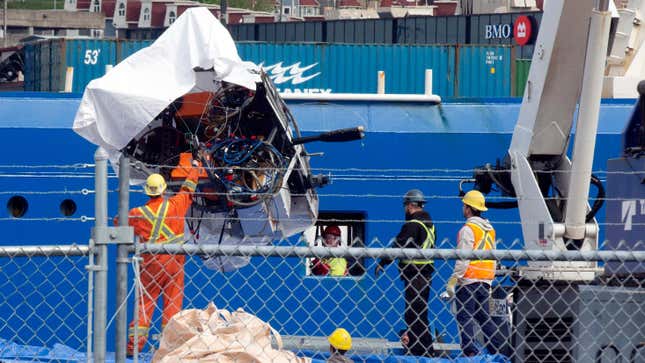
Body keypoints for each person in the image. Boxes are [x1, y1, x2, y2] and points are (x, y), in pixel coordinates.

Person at [124, 156, 202, 356]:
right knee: (173, 305)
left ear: (147, 191)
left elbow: (120, 224)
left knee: (144, 304)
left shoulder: (137, 213)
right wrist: (196, 167)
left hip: (150, 265)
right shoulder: (175, 205)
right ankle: (170, 348)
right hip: (174, 263)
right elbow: (188, 188)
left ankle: (134, 348)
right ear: (164, 188)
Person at [441, 190, 508, 357]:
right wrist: (490, 280)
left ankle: (469, 352)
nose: (463, 209)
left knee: (465, 316)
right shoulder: (489, 229)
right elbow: (493, 256)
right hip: (485, 280)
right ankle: (499, 351)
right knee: (484, 318)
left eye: (464, 206)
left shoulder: (468, 229)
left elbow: (463, 257)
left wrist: (453, 280)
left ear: (469, 208)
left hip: (469, 280)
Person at [375, 189, 436, 357]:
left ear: (410, 206)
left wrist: (383, 262)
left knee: (413, 314)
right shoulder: (429, 224)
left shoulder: (412, 225)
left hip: (415, 275)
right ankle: (425, 349)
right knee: (420, 313)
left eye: (405, 206)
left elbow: (398, 245)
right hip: (425, 275)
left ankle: (420, 351)